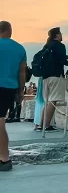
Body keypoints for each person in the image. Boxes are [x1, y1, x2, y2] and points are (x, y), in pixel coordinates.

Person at [0, 20, 27, 172]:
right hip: (10, 88)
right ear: (9, 30)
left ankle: (4, 158)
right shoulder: (19, 48)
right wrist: (21, 91)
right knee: (1, 120)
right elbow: (22, 72)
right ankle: (4, 157)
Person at [38, 27, 68, 132]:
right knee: (53, 101)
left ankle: (41, 124)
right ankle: (47, 125)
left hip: (45, 77)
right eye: (60, 33)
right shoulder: (60, 46)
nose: (61, 35)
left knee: (47, 102)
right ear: (57, 35)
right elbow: (61, 60)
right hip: (56, 76)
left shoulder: (47, 46)